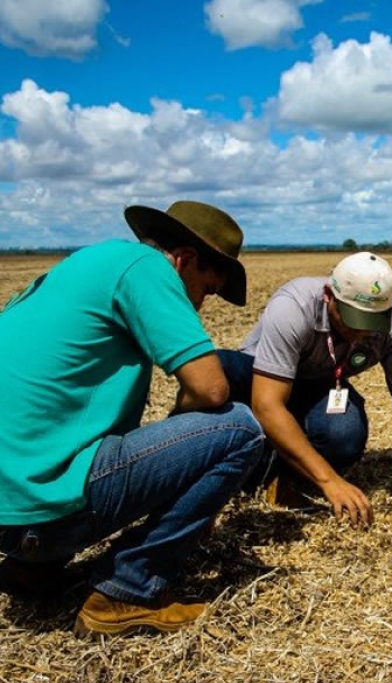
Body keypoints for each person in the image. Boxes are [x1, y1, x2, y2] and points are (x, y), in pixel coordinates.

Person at [0, 201, 265, 637]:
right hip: (38, 513)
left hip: (14, 510)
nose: (199, 305)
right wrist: (192, 462)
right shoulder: (148, 269)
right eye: (207, 288)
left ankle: (32, 571)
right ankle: (127, 589)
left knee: (84, 442)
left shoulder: (91, 260)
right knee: (238, 428)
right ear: (186, 260)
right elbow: (210, 388)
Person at [218, 251, 392, 530]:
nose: (360, 332)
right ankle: (236, 466)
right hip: (261, 377)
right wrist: (331, 482)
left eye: (371, 323)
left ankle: (283, 474)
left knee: (345, 432)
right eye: (352, 318)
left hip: (317, 383)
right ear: (329, 295)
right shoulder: (293, 306)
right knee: (220, 373)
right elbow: (266, 404)